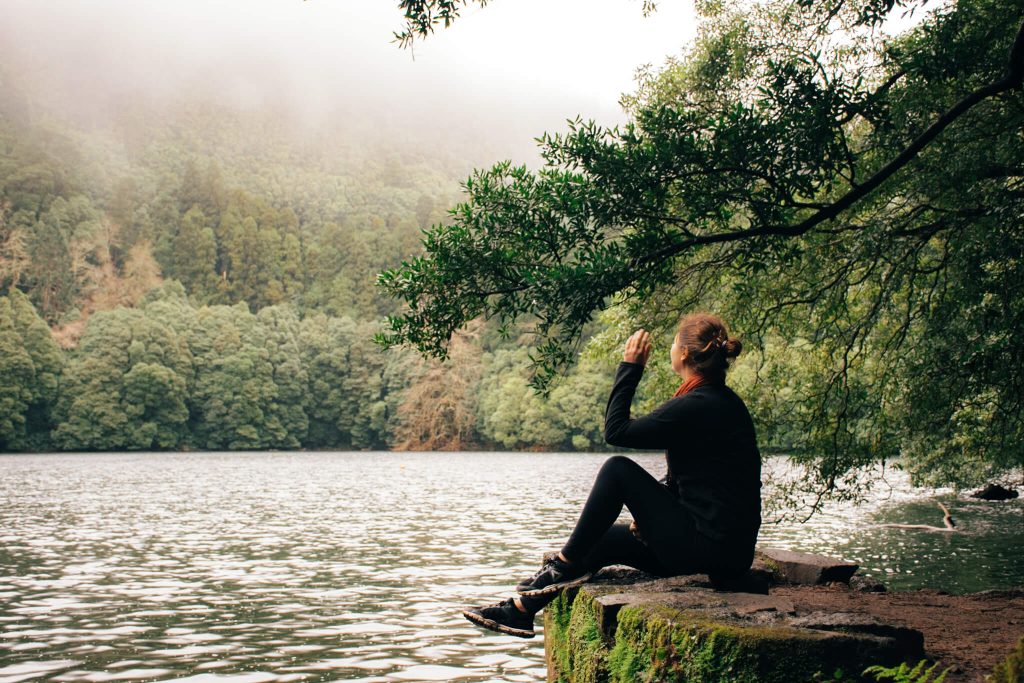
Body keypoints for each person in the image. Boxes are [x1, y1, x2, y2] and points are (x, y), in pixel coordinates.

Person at [462, 312, 762, 638]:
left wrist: (631, 367)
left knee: (617, 468)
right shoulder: (718, 402)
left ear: (685, 354)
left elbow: (616, 431)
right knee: (599, 539)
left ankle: (560, 566)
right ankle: (521, 611)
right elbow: (703, 483)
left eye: (674, 342)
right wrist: (652, 517)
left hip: (710, 550)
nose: (671, 348)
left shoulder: (699, 405)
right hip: (724, 552)